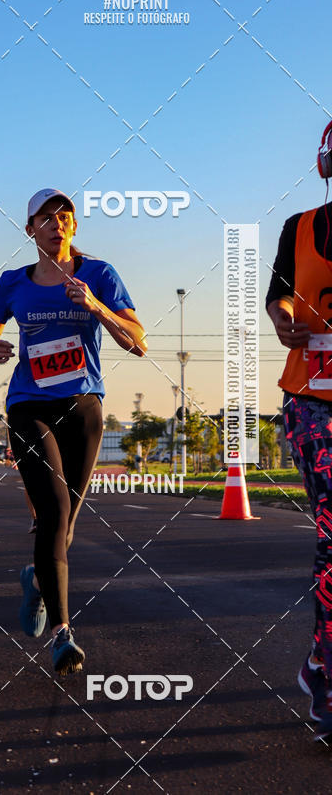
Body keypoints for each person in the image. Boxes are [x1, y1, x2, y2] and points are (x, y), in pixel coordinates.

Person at [0, 187, 146, 675]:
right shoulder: (15, 282)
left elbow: (138, 343)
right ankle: (62, 633)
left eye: (64, 215)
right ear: (30, 229)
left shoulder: (99, 274)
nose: (56, 222)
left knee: (66, 522)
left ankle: (37, 578)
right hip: (29, 404)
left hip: (83, 406)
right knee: (51, 511)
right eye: (45, 217)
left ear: (74, 225)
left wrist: (96, 307)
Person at [267, 122, 332, 739]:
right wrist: (285, 317)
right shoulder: (302, 228)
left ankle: (316, 661)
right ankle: (331, 684)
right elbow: (279, 297)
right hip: (314, 400)